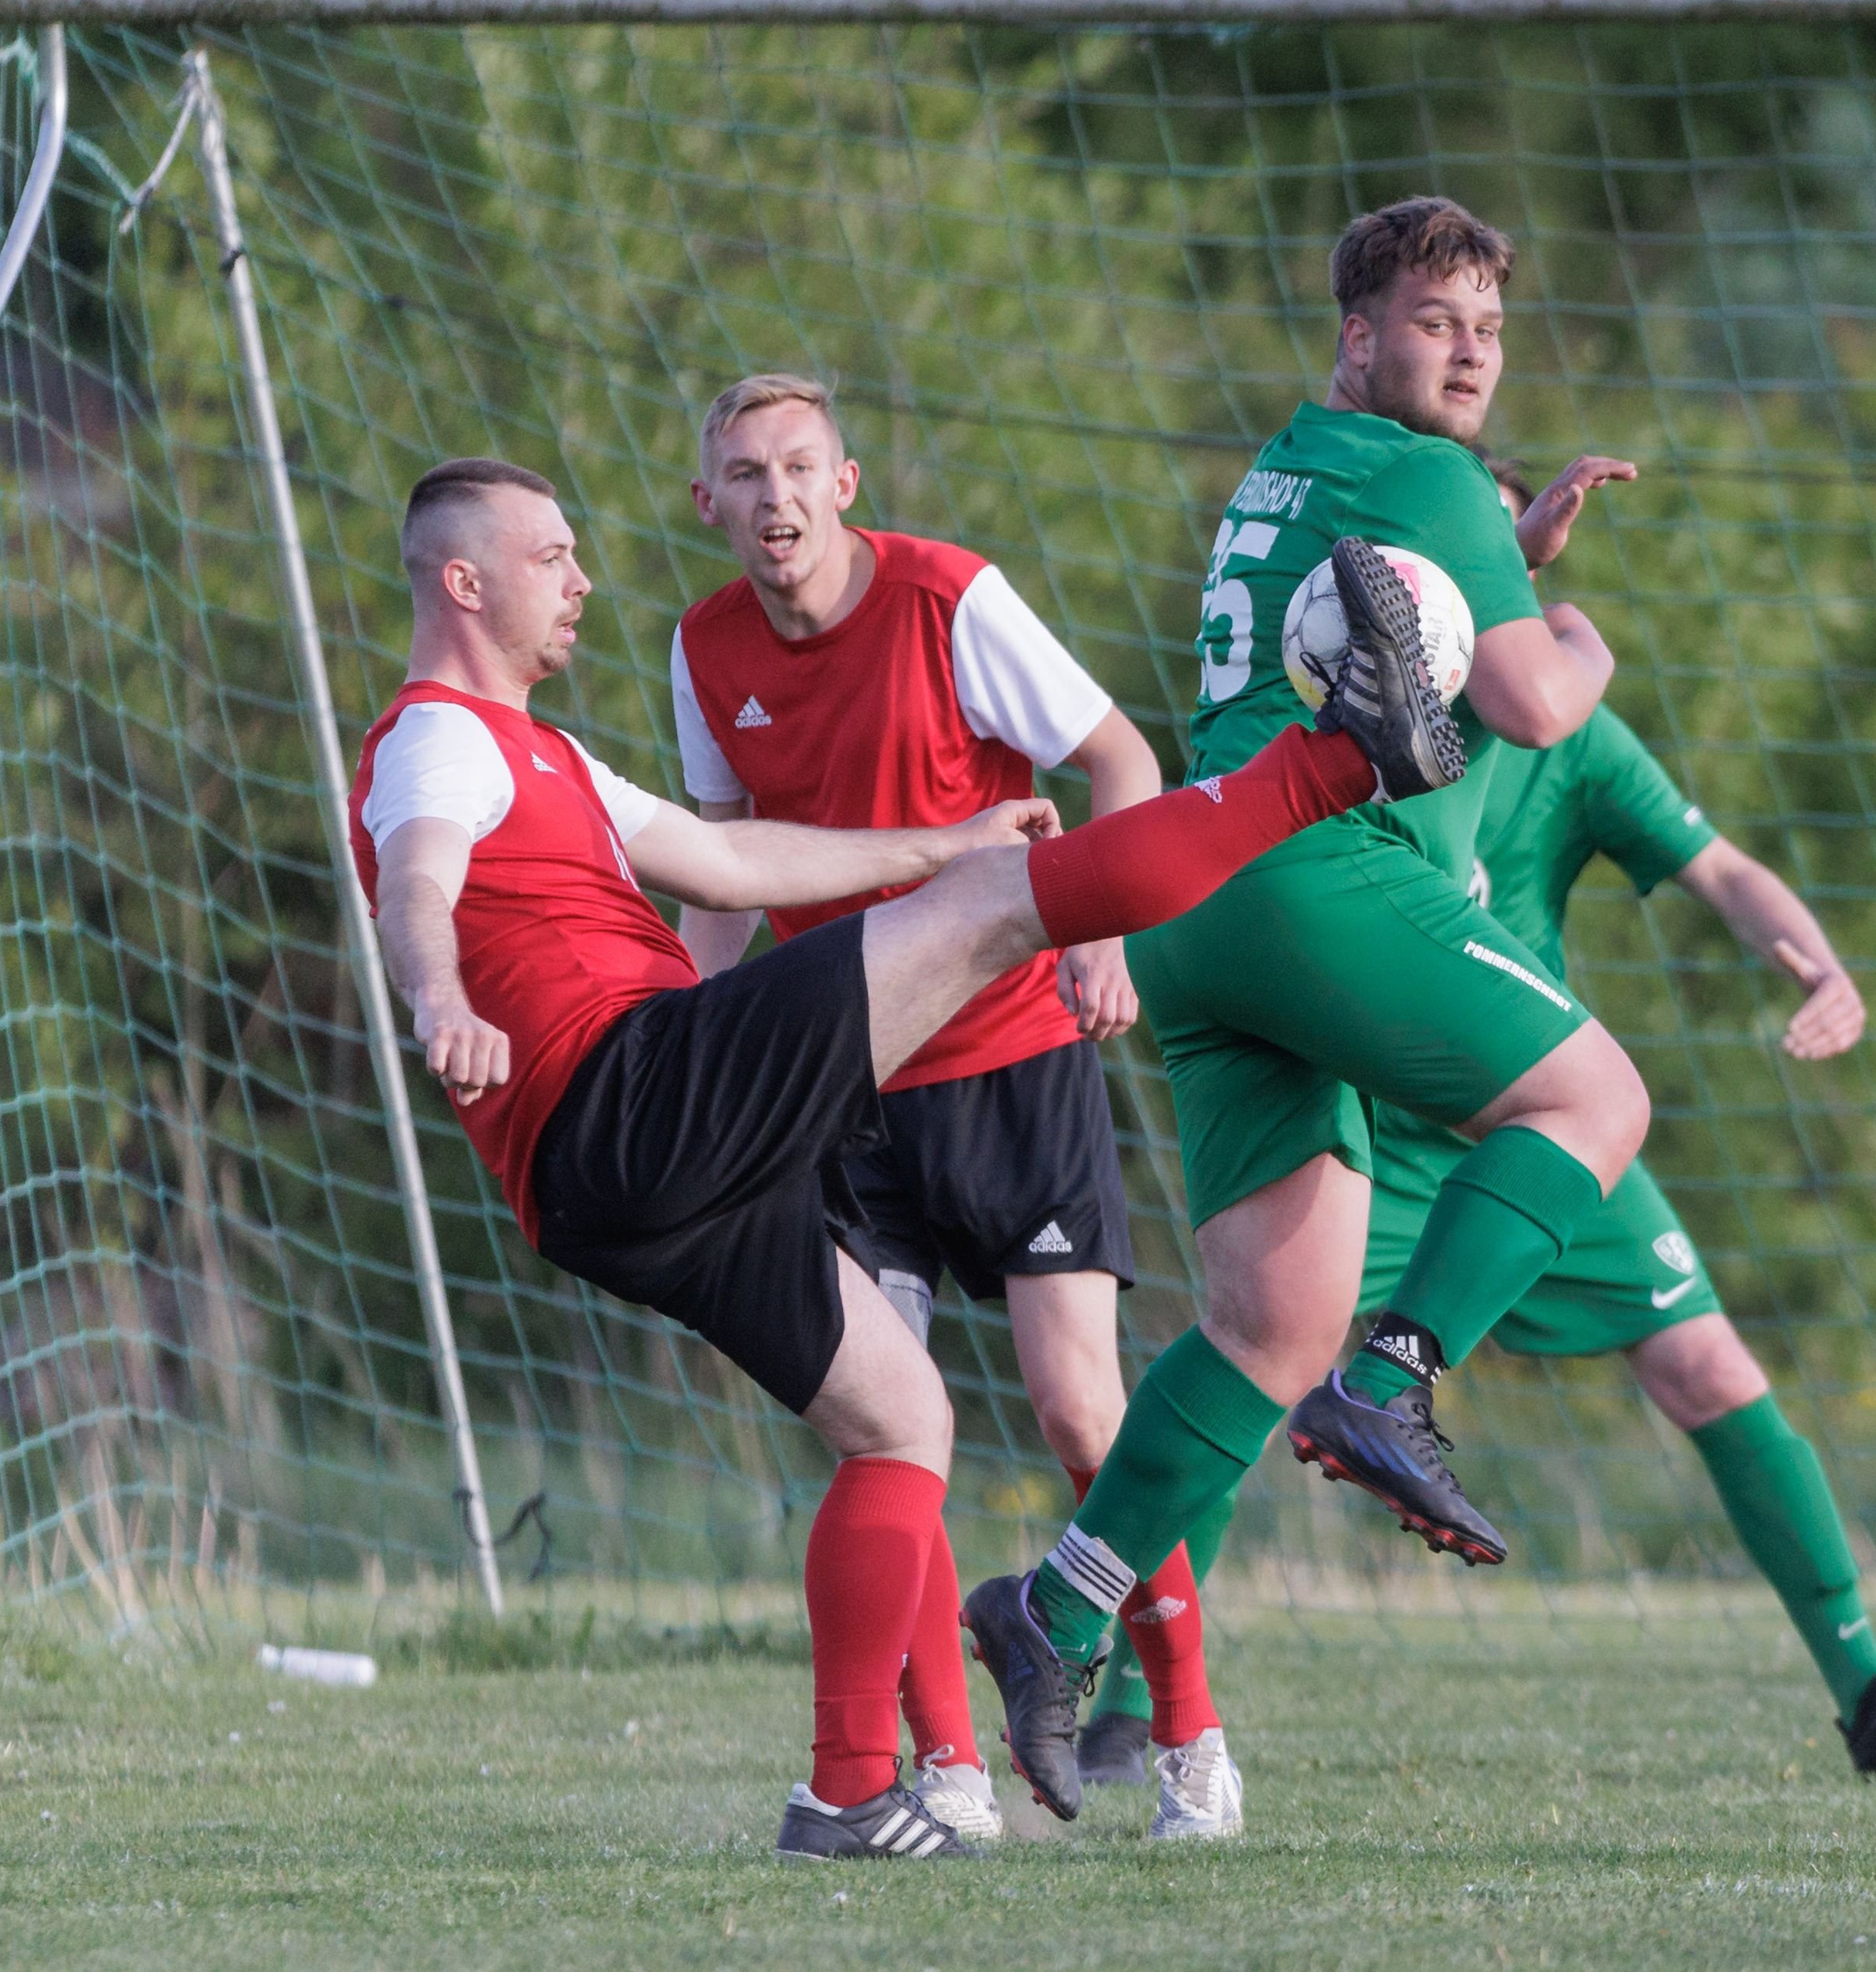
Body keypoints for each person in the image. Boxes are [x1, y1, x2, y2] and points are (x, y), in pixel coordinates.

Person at [347, 454, 1457, 1861]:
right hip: (626, 1089)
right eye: (550, 556)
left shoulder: (550, 754)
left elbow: (729, 862)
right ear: (463, 581)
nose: (580, 580)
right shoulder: (435, 739)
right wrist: (438, 996)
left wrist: (938, 841)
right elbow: (418, 878)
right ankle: (1347, 760)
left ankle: (846, 1794)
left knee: (900, 1420)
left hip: (610, 1177)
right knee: (1012, 909)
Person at [964, 195, 1664, 1823]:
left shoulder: (1292, 456)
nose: (1470, 349)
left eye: (1487, 326)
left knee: (1268, 1323)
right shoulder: (1425, 476)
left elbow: (1386, 600)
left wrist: (1504, 551)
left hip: (1196, 899)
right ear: (1358, 335)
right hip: (1310, 878)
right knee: (1594, 1103)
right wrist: (1576, 622)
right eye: (1434, 321)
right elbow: (1532, 699)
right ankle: (1402, 1371)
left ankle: (1056, 1604)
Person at [1331, 457, 1876, 1770]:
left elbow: (1725, 867)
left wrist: (1819, 962)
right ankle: (1138, 1700)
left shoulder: (1567, 731)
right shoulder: (1342, 689)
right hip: (1367, 1100)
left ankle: (1871, 1691)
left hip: (1541, 1112)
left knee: (1708, 1366)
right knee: (1256, 1360)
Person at [667, 373, 1238, 1841]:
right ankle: (952, 1772)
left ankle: (1188, 1737)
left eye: (800, 466)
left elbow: (1121, 759)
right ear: (708, 502)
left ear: (846, 482)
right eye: (745, 473)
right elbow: (725, 871)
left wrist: (1100, 929)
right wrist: (661, 1038)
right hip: (844, 1084)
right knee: (890, 1426)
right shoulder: (703, 647)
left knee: (1079, 1411)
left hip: (1010, 1053)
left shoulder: (947, 598)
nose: (774, 496)